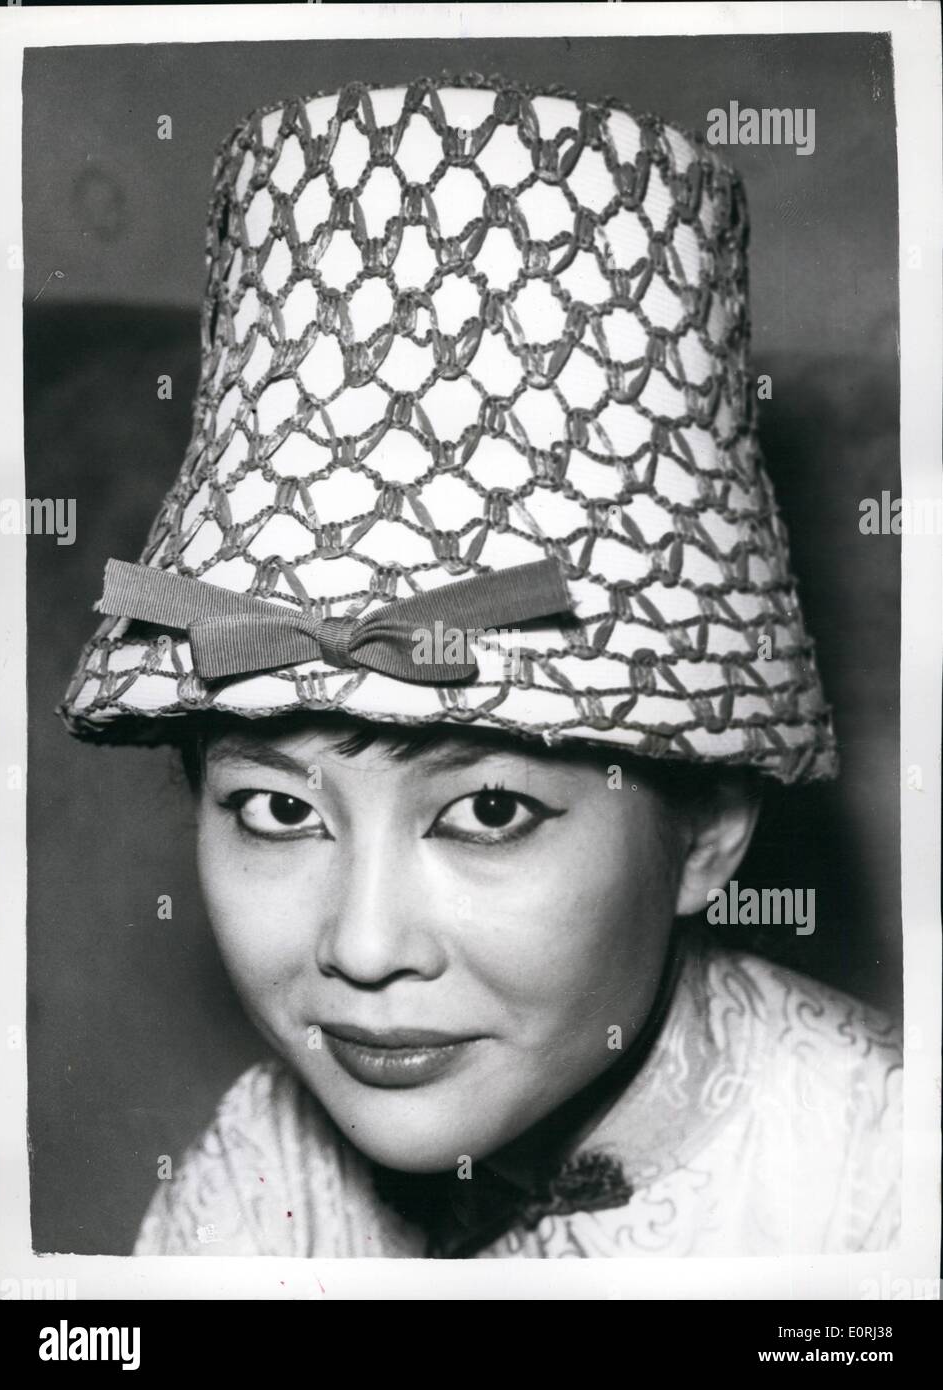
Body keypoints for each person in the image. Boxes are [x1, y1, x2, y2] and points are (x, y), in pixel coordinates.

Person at [60, 74, 901, 1258]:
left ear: (708, 830)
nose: (361, 945)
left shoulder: (885, 1188)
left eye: (489, 808)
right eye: (275, 807)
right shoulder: (261, 1176)